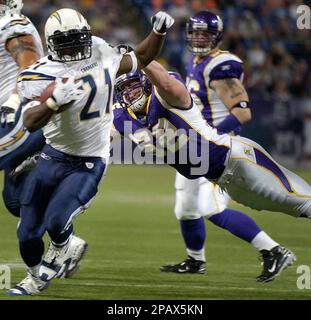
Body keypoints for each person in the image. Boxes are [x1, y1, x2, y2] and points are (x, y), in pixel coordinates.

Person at [7, 7, 174, 296]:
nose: (73, 46)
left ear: (87, 35)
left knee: (57, 219)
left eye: (77, 39)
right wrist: (51, 104)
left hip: (89, 160)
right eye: (65, 41)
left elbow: (142, 57)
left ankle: (59, 250)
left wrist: (158, 32)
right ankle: (34, 277)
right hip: (53, 154)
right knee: (27, 230)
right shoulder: (39, 74)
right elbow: (29, 121)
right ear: (51, 44)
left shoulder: (100, 50)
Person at [112, 60, 311, 283]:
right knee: (295, 209)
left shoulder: (166, 94)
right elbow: (101, 132)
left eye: (133, 86)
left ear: (147, 83)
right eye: (123, 91)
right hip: (222, 177)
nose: (129, 94)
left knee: (304, 203)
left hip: (236, 157)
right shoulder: (130, 118)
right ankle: (267, 252)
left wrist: (140, 54)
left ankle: (272, 251)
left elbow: (166, 81)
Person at [159, 11, 284, 280]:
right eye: (195, 32)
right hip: (195, 149)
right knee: (186, 209)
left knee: (211, 209)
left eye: (205, 34)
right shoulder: (196, 60)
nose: (199, 38)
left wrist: (211, 135)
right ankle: (195, 261)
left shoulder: (221, 65)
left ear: (217, 36)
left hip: (216, 148)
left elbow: (242, 112)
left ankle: (273, 250)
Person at [0, 0, 86, 281]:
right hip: (12, 121)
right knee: (15, 202)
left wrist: (13, 100)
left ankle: (51, 257)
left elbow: (29, 66)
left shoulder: (13, 25)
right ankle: (66, 241)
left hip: (22, 117)